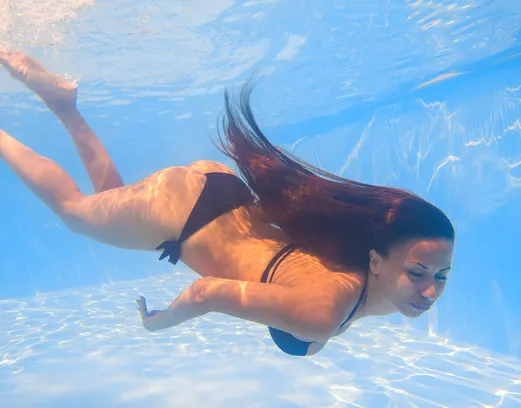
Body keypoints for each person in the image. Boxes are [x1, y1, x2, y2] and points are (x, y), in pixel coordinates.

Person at [0, 50, 455, 357]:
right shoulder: (325, 311)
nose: (430, 290)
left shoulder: (365, 271)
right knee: (75, 211)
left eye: (441, 276)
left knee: (105, 204)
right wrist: (160, 323)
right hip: (184, 215)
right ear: (378, 261)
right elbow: (205, 292)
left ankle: (63, 104)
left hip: (221, 195)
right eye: (417, 273)